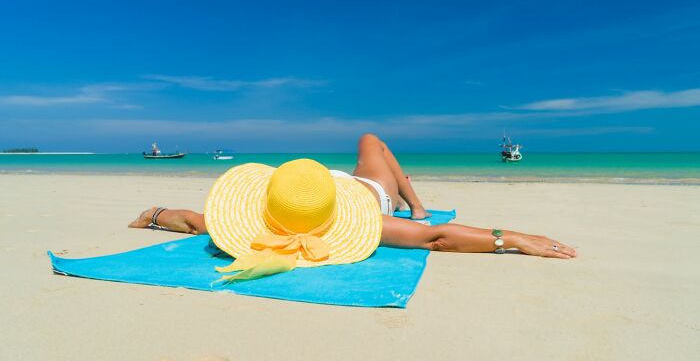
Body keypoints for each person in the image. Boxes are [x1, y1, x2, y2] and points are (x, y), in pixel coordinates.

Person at [129, 134, 577, 269]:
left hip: (326, 191)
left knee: (370, 142)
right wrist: (510, 237)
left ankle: (413, 198)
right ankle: (410, 198)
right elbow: (435, 238)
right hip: (351, 194)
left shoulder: (254, 224)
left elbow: (190, 219)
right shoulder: (372, 225)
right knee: (371, 140)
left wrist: (155, 215)